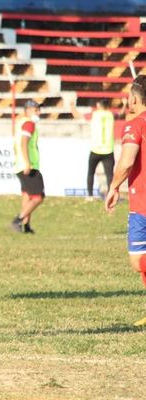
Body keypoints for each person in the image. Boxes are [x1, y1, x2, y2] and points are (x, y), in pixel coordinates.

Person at [105, 75, 146, 326]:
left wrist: (113, 186)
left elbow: (128, 160)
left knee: (137, 259)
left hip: (142, 205)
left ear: (132, 98)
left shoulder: (135, 125)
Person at [70, 99, 125, 199]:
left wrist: (72, 106)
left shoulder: (94, 114)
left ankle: (90, 195)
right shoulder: (110, 115)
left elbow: (78, 116)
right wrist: (125, 105)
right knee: (109, 175)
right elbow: (121, 114)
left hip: (95, 149)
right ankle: (110, 195)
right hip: (108, 150)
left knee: (90, 173)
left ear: (99, 105)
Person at [11, 100, 44, 234]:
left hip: (19, 164)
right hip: (28, 165)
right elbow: (24, 143)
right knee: (38, 197)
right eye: (36, 110)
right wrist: (27, 163)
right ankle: (18, 220)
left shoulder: (21, 123)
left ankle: (26, 226)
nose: (38, 112)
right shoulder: (29, 124)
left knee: (27, 195)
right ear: (28, 110)